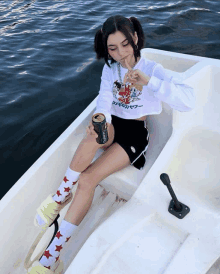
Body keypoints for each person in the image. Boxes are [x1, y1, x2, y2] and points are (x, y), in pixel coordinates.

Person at [27, 15, 195, 273]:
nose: (120, 53)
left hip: (134, 135)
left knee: (87, 180)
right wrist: (100, 119)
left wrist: (149, 82)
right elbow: (105, 99)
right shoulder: (110, 69)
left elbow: (187, 100)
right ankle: (60, 197)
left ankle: (51, 257)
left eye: (125, 44)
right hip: (114, 125)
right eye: (112, 48)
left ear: (135, 38)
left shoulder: (152, 69)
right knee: (94, 133)